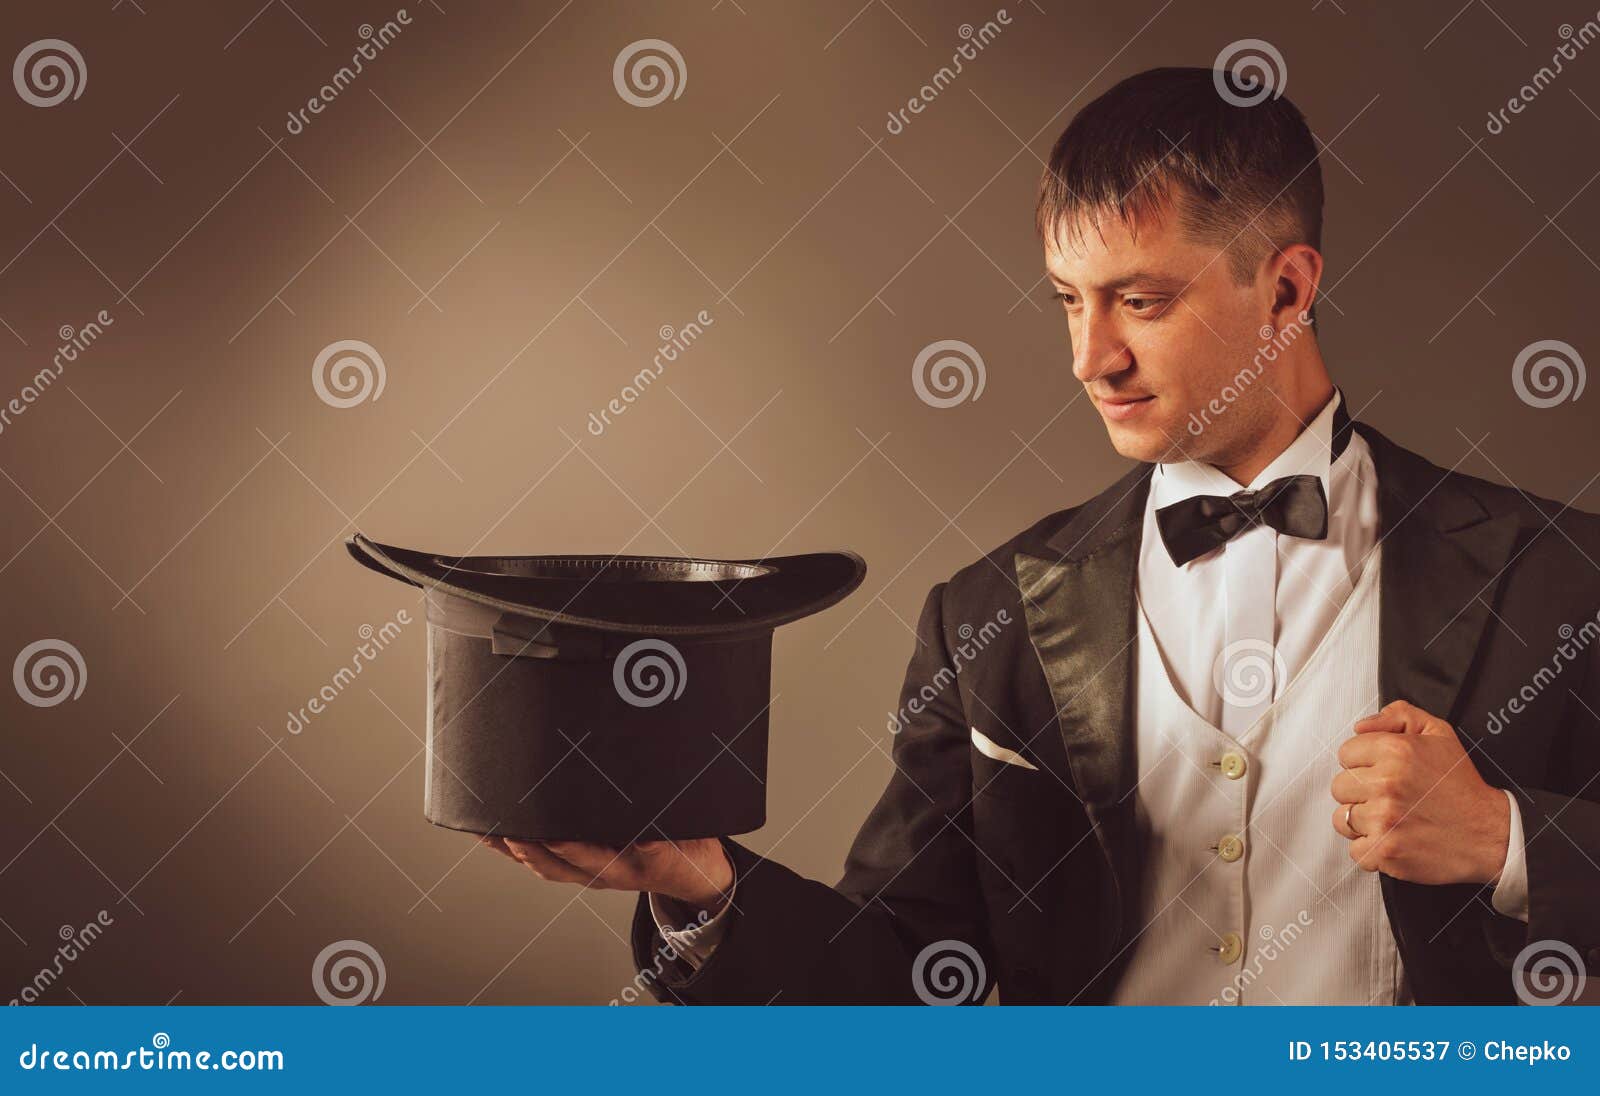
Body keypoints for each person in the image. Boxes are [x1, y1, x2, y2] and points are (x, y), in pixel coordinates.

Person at [479, 67, 1600, 1004]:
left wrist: (1507, 839)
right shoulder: (989, 616)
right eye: (1069, 299)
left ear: (1287, 289)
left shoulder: (1560, 577)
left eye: (1140, 302)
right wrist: (701, 883)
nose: (1088, 358)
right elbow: (912, 978)